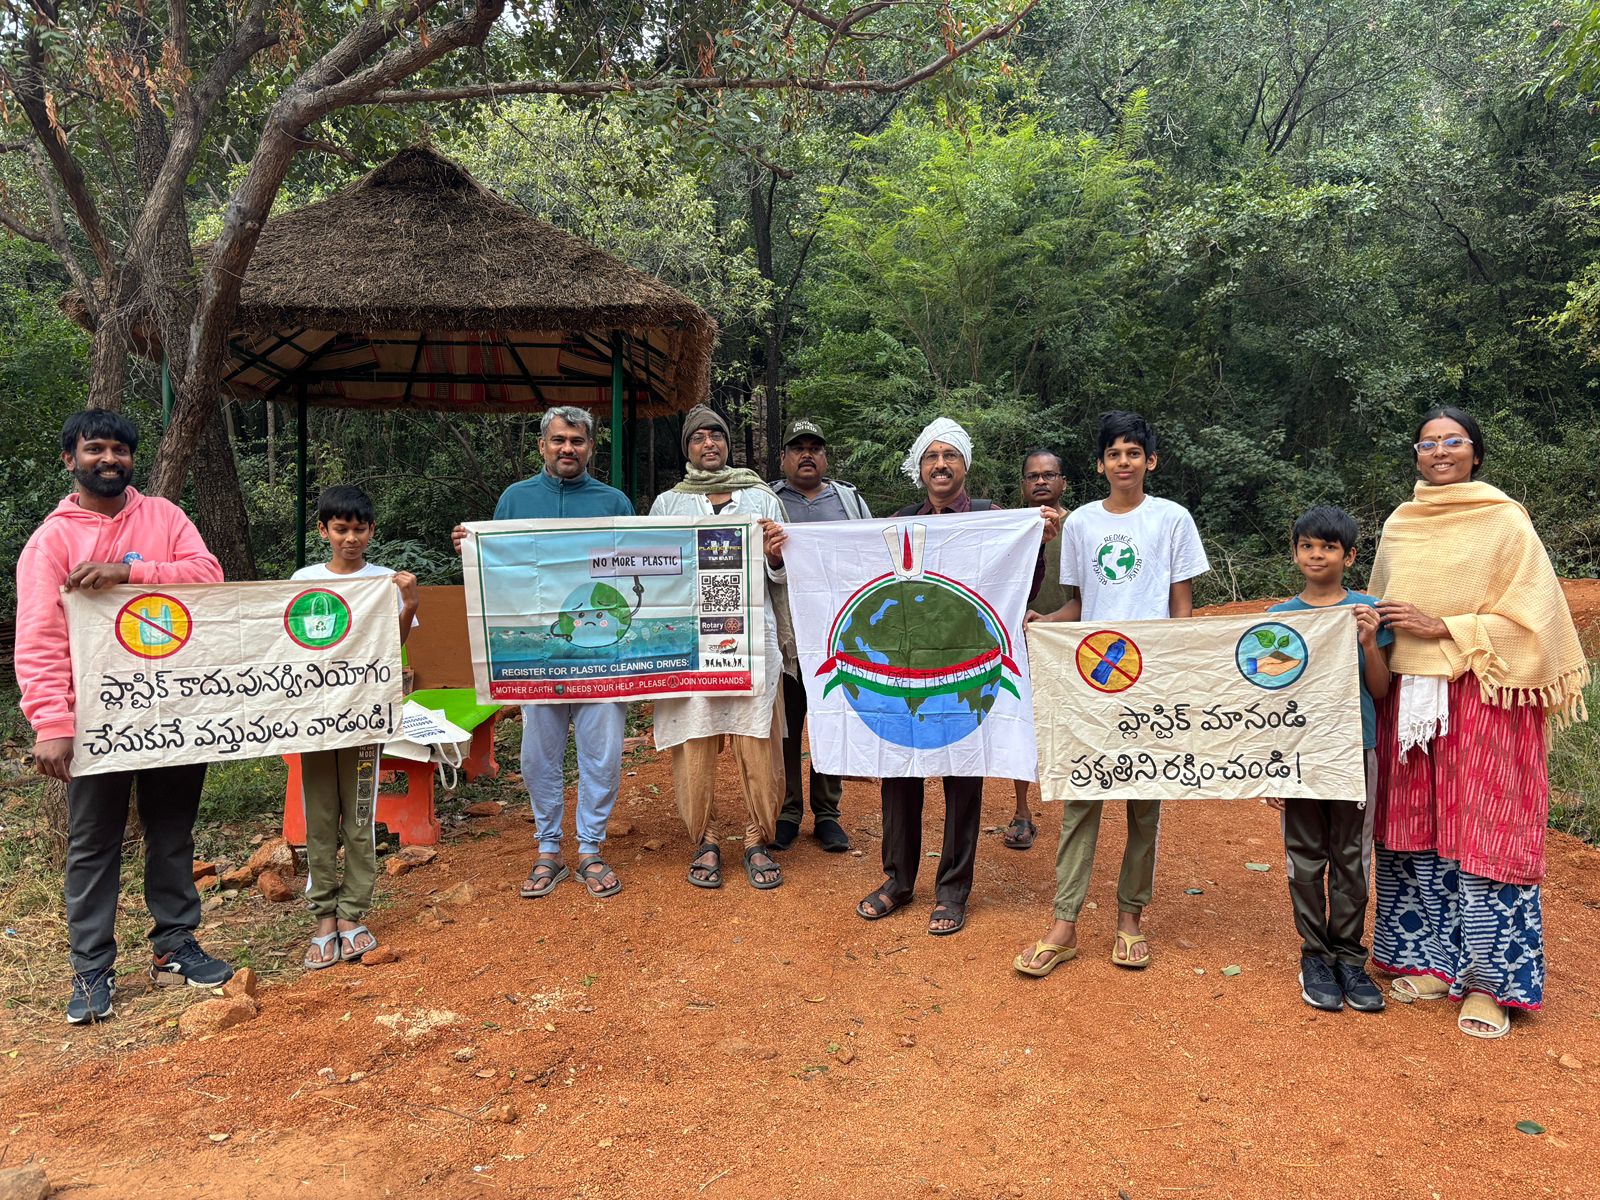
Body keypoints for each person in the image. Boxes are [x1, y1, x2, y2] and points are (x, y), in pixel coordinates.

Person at [1367, 407, 1589, 1039]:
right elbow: (1379, 613)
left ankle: (1492, 984)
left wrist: (1447, 627)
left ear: (1475, 453)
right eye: (1428, 443)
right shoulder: (1400, 524)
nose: (1440, 451)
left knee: (1486, 828)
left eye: (1454, 442)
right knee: (1414, 825)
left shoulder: (1505, 521)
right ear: (1416, 455)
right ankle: (1431, 961)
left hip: (1485, 691)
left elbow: (1537, 620)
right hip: (1406, 695)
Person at [15, 411, 232, 1024]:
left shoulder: (164, 518)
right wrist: (51, 722)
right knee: (93, 843)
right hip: (96, 720)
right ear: (70, 460)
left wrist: (131, 572)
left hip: (173, 711)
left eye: (119, 450)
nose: (109, 459)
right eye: (95, 449)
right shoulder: (51, 542)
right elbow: (39, 636)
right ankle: (90, 971)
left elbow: (207, 575)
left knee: (172, 829)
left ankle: (175, 945)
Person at [847, 417, 1060, 936]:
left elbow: (1019, 590)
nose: (940, 465)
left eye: (950, 456)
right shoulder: (898, 522)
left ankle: (952, 890)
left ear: (965, 465)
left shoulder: (994, 520)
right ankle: (898, 880)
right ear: (919, 469)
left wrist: (1033, 540)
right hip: (904, 668)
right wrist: (794, 548)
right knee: (899, 770)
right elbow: (855, 575)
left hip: (967, 671)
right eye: (930, 457)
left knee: (964, 773)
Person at [1015, 410, 1208, 975]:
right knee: (1082, 801)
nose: (1124, 462)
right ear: (1100, 465)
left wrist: (1175, 668)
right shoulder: (1080, 527)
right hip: (1092, 678)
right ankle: (1065, 922)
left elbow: (1181, 603)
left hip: (1149, 680)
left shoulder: (1172, 519)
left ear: (1150, 461)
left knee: (1144, 806)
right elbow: (1081, 606)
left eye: (1134, 453)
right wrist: (1045, 621)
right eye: (1113, 454)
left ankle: (1130, 919)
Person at [452, 406, 633, 900]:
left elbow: (634, 568)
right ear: (542, 446)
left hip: (602, 660)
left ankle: (591, 848)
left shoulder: (614, 500)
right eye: (558, 440)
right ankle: (549, 848)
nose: (567, 448)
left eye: (577, 440)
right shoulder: (515, 499)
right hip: (539, 659)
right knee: (538, 757)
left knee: (603, 757)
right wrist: (471, 549)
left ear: (591, 447)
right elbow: (500, 573)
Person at [650, 404, 787, 891]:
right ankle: (705, 838)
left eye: (717, 436)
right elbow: (651, 572)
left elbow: (785, 575)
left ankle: (755, 838)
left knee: (757, 740)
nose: (709, 444)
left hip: (752, 639)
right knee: (695, 739)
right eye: (698, 438)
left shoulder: (761, 499)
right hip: (690, 644)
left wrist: (775, 556)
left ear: (729, 445)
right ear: (686, 448)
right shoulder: (667, 505)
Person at [1261, 505, 1392, 1013]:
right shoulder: (1278, 620)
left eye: (1329, 546)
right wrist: (1270, 764)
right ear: (1295, 553)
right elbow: (1267, 701)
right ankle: (1314, 954)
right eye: (1308, 546)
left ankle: (1349, 956)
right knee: (1304, 856)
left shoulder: (1367, 611)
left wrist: (1367, 642)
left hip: (1354, 748)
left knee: (1353, 858)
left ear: (1350, 555)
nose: (1318, 554)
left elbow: (1379, 691)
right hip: (1300, 753)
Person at [293, 485, 419, 969]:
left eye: (358, 529)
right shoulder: (304, 580)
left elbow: (397, 644)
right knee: (321, 817)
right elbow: (290, 641)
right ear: (323, 530)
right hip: (316, 716)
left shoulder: (387, 580)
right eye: (340, 529)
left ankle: (352, 912)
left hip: (366, 715)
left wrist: (407, 605)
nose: (350, 538)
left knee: (360, 815)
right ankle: (323, 915)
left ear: (371, 531)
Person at [767, 417, 871, 854]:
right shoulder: (768, 502)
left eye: (815, 447)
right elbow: (758, 566)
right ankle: (788, 812)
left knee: (831, 719)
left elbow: (870, 553)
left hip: (838, 634)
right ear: (784, 457)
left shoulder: (848, 500)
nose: (806, 454)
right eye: (797, 448)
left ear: (825, 456)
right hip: (788, 634)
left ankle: (827, 814)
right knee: (789, 727)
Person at [1005, 448, 1069, 853]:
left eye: (1049, 475)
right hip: (1024, 636)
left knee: (1069, 723)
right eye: (1033, 476)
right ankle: (1022, 811)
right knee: (1023, 722)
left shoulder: (1083, 525)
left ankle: (1079, 808)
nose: (1041, 481)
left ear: (1063, 482)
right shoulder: (1009, 527)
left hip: (1075, 638)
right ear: (1024, 485)